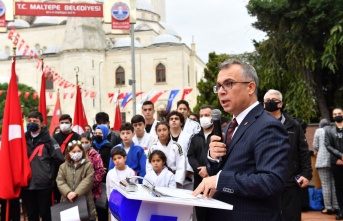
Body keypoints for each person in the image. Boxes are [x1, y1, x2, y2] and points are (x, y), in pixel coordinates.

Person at [193, 60, 290, 221]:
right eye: (219, 86)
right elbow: (216, 173)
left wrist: (220, 180)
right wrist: (212, 157)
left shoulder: (268, 126)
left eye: (228, 84)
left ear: (250, 87)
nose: (221, 92)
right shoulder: (227, 128)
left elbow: (271, 182)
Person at [263, 89, 312, 221]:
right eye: (267, 101)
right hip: (264, 182)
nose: (269, 103)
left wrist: (306, 174)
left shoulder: (294, 125)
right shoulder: (257, 125)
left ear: (281, 104)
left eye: (273, 101)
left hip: (290, 182)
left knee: (291, 217)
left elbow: (303, 151)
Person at [21, 111, 65, 221]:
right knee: (31, 214)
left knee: (45, 213)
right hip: (26, 183)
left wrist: (51, 176)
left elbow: (59, 159)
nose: (31, 123)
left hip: (44, 184)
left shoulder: (49, 140)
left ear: (41, 123)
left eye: (35, 121)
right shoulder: (22, 140)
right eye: (29, 121)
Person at [56, 140, 96, 221]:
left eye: (79, 151)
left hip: (85, 200)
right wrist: (68, 192)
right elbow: (60, 181)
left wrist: (76, 193)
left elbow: (88, 180)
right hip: (67, 200)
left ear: (82, 152)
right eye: (73, 151)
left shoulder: (88, 165)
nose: (76, 153)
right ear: (69, 152)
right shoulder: (63, 166)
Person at [188, 105, 214, 221]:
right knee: (201, 213)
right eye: (201, 115)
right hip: (199, 180)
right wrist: (199, 169)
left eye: (207, 115)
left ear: (213, 117)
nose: (203, 118)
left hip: (214, 181)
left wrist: (209, 169)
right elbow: (190, 156)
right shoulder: (195, 137)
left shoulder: (219, 136)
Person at [148, 122, 186, 188]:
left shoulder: (176, 146)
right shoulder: (153, 147)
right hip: (157, 178)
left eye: (164, 130)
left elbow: (181, 164)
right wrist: (151, 179)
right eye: (159, 130)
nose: (162, 133)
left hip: (173, 177)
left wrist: (178, 181)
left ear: (169, 131)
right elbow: (149, 165)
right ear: (156, 132)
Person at [52, 114, 81, 203]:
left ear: (71, 124)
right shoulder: (54, 138)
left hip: (72, 168)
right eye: (62, 123)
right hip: (57, 169)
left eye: (66, 123)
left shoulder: (77, 136)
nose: (64, 124)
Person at [313, 119, 339, 214]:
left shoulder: (319, 131)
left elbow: (315, 145)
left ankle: (328, 208)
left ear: (320, 125)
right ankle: (337, 206)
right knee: (334, 184)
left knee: (326, 184)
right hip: (335, 160)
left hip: (322, 161)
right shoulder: (334, 130)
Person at [106, 147, 137, 221]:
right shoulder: (110, 173)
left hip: (128, 204)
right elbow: (108, 190)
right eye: (114, 159)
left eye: (119, 158)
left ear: (125, 158)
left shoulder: (131, 172)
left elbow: (136, 190)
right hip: (115, 203)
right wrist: (110, 204)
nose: (117, 161)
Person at [166, 111, 193, 189]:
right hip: (168, 173)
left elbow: (191, 154)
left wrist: (188, 171)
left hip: (186, 175)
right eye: (171, 119)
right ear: (168, 123)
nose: (174, 120)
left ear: (181, 123)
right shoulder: (164, 138)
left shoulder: (189, 137)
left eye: (176, 119)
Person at [325, 107, 343, 220]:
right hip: (336, 162)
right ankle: (341, 210)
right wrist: (340, 156)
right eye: (335, 114)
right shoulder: (329, 130)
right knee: (339, 187)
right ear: (332, 116)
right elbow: (328, 145)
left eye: (340, 113)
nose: (337, 115)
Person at [80, 133, 106, 201]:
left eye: (86, 142)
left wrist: (89, 185)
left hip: (91, 190)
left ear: (90, 143)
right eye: (82, 142)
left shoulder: (95, 155)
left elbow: (100, 172)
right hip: (78, 190)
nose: (84, 144)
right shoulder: (77, 154)